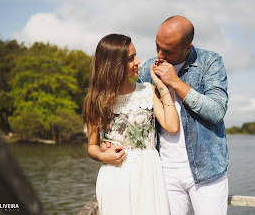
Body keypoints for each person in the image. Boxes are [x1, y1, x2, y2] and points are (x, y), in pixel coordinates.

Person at [137, 15, 229, 215]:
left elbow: (217, 111)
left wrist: (175, 82)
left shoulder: (211, 62)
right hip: (163, 169)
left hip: (207, 171)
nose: (159, 54)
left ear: (188, 47)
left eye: (167, 50)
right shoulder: (148, 68)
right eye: (157, 46)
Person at [83, 33, 179, 215]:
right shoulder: (96, 101)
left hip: (149, 173)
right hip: (116, 174)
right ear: (114, 65)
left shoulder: (147, 91)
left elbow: (172, 126)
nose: (138, 62)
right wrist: (104, 157)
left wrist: (161, 86)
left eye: (135, 55)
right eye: (130, 58)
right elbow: (92, 146)